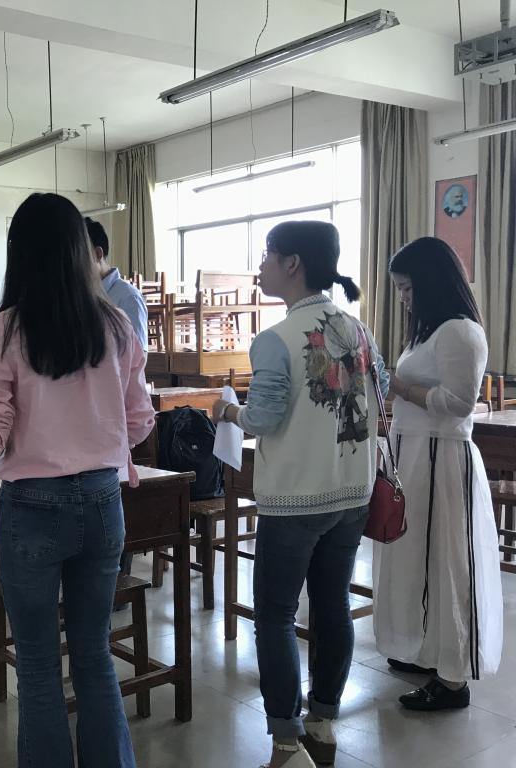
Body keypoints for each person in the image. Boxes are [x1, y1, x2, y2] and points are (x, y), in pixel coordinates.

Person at [0, 194, 154, 768]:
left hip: (32, 505)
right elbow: (140, 422)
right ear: (80, 250)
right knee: (94, 653)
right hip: (102, 500)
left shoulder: (3, 330)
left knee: (39, 664)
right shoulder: (116, 324)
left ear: (18, 253)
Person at [211, 221, 388, 768]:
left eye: (268, 255)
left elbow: (263, 418)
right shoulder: (358, 330)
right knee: (332, 604)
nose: (261, 266)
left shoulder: (276, 338)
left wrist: (228, 411)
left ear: (293, 264)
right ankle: (323, 723)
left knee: (276, 615)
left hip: (295, 499)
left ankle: (286, 742)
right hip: (352, 491)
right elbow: (381, 392)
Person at [373, 236, 503, 711]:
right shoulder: (428, 332)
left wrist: (400, 388)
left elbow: (459, 403)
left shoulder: (460, 331)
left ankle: (453, 679)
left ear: (431, 282)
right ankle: (425, 648)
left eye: (408, 288)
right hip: (414, 456)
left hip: (442, 459)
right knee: (415, 561)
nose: (403, 298)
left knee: (447, 564)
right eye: (399, 289)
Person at [85, 217, 148, 350]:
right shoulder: (83, 296)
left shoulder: (128, 297)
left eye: (78, 254)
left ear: (97, 254)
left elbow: (139, 355)